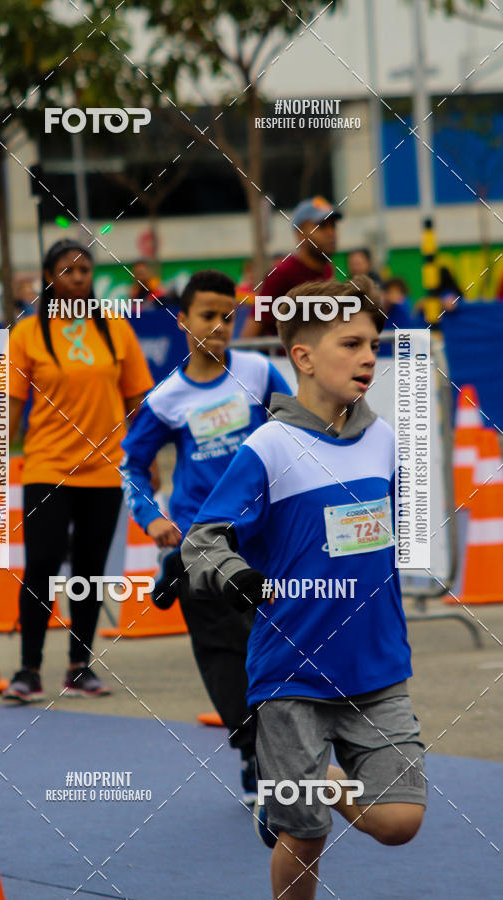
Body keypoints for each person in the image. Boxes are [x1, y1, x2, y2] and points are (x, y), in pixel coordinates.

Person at [182, 275, 426, 899]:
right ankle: (297, 798)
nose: (370, 355)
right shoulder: (269, 448)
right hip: (290, 675)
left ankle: (313, 784)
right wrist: (235, 575)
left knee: (400, 822)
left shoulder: (384, 440)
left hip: (377, 669)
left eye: (374, 342)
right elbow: (203, 540)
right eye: (351, 343)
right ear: (303, 357)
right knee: (305, 836)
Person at [120, 269, 291, 803]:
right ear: (182, 321)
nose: (219, 326)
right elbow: (131, 466)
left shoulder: (261, 373)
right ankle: (254, 754)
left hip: (267, 536)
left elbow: (298, 430)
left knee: (273, 646)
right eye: (207, 316)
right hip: (202, 542)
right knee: (223, 654)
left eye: (228, 316)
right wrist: (151, 519)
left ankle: (280, 751)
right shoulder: (167, 398)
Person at [3, 239, 154, 702]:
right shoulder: (27, 333)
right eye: (68, 271)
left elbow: (136, 400)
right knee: (43, 563)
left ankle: (79, 665)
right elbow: (11, 403)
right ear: (50, 277)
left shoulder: (114, 328)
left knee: (90, 568)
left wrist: (144, 460)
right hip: (47, 465)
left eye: (85, 270)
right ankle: (28, 669)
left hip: (106, 468)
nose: (78, 278)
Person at [240, 196, 341, 338]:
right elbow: (249, 335)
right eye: (322, 226)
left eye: (333, 226)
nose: (331, 233)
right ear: (300, 234)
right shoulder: (281, 274)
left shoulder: (327, 269)